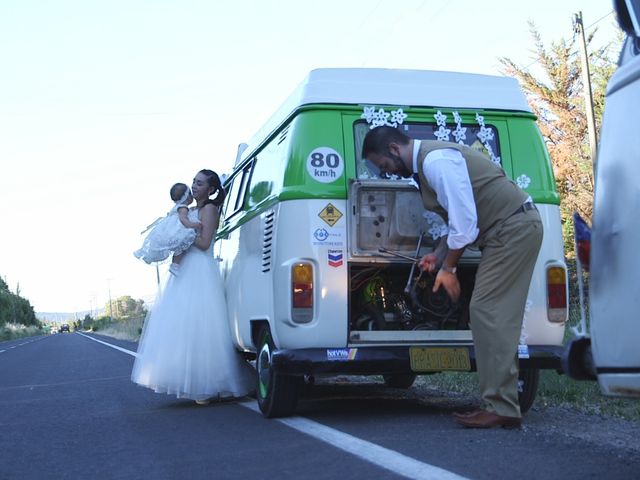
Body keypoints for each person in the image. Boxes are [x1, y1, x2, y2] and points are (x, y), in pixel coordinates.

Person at [362, 126, 543, 429]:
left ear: (394, 149)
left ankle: (502, 406)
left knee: (488, 311)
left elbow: (466, 223)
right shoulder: (428, 164)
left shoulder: (436, 162)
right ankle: (502, 404)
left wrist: (449, 269)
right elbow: (458, 222)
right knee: (491, 313)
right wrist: (439, 253)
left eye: (384, 165)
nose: (388, 173)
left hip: (512, 230)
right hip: (508, 230)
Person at [131, 169, 256, 404]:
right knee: (182, 325)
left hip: (201, 270)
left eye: (200, 183)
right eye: (194, 182)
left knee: (202, 326)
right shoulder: (189, 211)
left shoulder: (209, 209)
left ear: (211, 188)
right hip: (186, 270)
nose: (195, 186)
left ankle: (208, 385)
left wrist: (182, 238)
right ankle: (192, 381)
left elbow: (204, 242)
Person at [133, 183, 201, 275]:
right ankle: (175, 265)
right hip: (178, 229)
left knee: (178, 249)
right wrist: (194, 225)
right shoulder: (183, 208)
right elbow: (184, 220)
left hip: (169, 229)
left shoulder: (176, 207)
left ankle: (170, 263)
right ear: (187, 197)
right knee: (182, 246)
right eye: (190, 193)